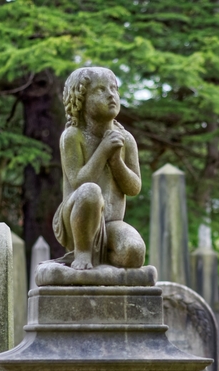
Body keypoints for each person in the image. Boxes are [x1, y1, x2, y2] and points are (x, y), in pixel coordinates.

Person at [53, 67, 145, 270]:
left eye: (114, 88)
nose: (111, 95)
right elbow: (78, 181)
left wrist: (116, 162)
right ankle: (82, 252)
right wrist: (103, 150)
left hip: (112, 223)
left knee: (135, 252)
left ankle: (106, 263)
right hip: (79, 217)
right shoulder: (73, 136)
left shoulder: (126, 139)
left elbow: (134, 187)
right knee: (90, 191)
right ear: (81, 100)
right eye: (100, 90)